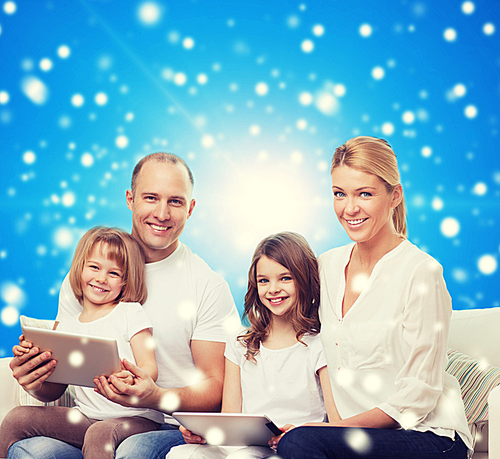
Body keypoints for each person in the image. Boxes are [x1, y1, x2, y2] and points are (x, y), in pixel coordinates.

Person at [8, 153, 239, 459]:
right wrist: (36, 380)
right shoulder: (87, 277)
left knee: (129, 449)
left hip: (168, 426)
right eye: (151, 198)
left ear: (190, 208)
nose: (162, 213)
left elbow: (217, 386)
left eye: (175, 202)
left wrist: (157, 397)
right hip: (92, 420)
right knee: (30, 450)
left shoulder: (207, 284)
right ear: (130, 199)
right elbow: (57, 384)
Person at [275, 136, 473, 459]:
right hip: (354, 436)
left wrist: (331, 430)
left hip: (427, 435)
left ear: (394, 196)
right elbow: (295, 340)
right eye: (339, 194)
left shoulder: (422, 272)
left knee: (300, 444)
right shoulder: (326, 266)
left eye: (364, 194)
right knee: (295, 441)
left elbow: (418, 396)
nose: (349, 208)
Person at [167, 232, 340, 459]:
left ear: (304, 280)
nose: (273, 289)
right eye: (264, 280)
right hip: (246, 447)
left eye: (285, 278)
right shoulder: (240, 343)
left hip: (295, 447)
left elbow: (337, 422)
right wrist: (203, 433)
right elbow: (230, 417)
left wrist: (299, 433)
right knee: (181, 454)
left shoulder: (319, 343)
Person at [0, 226, 162, 458]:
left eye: (113, 273)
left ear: (125, 282)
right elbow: (55, 389)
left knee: (99, 433)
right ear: (80, 269)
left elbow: (150, 368)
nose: (101, 278)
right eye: (94, 267)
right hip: (87, 417)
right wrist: (34, 372)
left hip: (136, 418)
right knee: (17, 417)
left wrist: (133, 378)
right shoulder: (66, 325)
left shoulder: (129, 312)